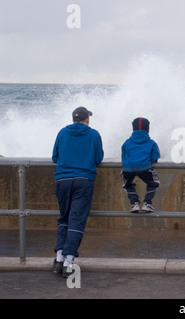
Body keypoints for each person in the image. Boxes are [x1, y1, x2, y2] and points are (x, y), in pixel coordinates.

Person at [52, 106, 104, 278]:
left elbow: (54, 157)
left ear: (73, 119)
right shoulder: (93, 134)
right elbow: (98, 158)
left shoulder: (62, 132)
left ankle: (59, 258)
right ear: (87, 119)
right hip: (83, 181)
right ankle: (68, 261)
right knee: (77, 220)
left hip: (63, 180)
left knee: (64, 217)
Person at [121, 117, 160, 213]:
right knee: (154, 183)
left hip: (128, 168)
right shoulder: (151, 143)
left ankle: (134, 203)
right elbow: (155, 157)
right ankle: (147, 203)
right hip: (144, 168)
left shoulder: (127, 142)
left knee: (128, 185)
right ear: (148, 129)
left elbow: (123, 156)